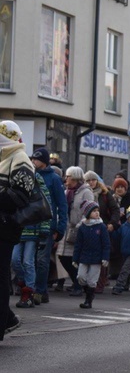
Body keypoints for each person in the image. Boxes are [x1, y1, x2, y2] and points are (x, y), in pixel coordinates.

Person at [0, 120, 35, 341]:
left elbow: (21, 196)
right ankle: (8, 318)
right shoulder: (3, 157)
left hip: (5, 228)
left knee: (1, 278)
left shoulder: (19, 158)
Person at [30, 147, 67, 305]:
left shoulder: (54, 179)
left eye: (36, 159)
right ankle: (36, 290)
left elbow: (62, 205)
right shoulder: (31, 175)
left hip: (48, 226)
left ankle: (40, 290)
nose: (33, 161)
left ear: (43, 162)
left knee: (42, 260)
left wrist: (60, 228)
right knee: (29, 259)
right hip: (31, 225)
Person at [11, 172, 51, 308]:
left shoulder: (39, 184)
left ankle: (28, 293)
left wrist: (44, 230)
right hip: (19, 229)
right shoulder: (16, 183)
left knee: (28, 262)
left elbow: (46, 207)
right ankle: (26, 285)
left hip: (33, 230)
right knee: (14, 260)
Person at [57, 166, 95, 297]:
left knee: (75, 258)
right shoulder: (66, 191)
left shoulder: (86, 191)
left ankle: (78, 285)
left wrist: (81, 224)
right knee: (62, 256)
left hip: (79, 229)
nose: (65, 179)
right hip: (66, 229)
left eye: (68, 176)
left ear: (74, 177)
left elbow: (90, 210)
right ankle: (76, 282)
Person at [84, 171, 120, 291]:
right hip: (87, 228)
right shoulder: (84, 192)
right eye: (88, 180)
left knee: (102, 256)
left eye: (93, 180)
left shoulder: (105, 194)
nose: (91, 182)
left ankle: (100, 282)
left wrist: (112, 223)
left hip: (102, 228)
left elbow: (115, 210)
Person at [72, 201, 110, 308]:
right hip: (84, 257)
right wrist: (75, 259)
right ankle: (88, 293)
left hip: (96, 258)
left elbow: (106, 244)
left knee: (92, 280)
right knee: (81, 277)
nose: (97, 213)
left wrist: (105, 258)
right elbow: (78, 244)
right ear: (88, 213)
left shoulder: (101, 227)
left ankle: (88, 300)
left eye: (98, 211)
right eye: (94, 211)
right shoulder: (83, 227)